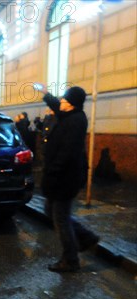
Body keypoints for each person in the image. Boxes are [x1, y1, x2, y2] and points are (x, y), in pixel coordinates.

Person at [35, 84, 99, 272]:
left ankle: (70, 259)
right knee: (51, 211)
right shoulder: (70, 115)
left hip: (64, 177)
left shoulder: (76, 121)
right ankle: (86, 237)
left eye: (64, 100)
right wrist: (46, 94)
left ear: (70, 104)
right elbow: (56, 105)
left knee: (60, 218)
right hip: (60, 177)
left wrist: (53, 171)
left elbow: (67, 152)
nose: (61, 102)